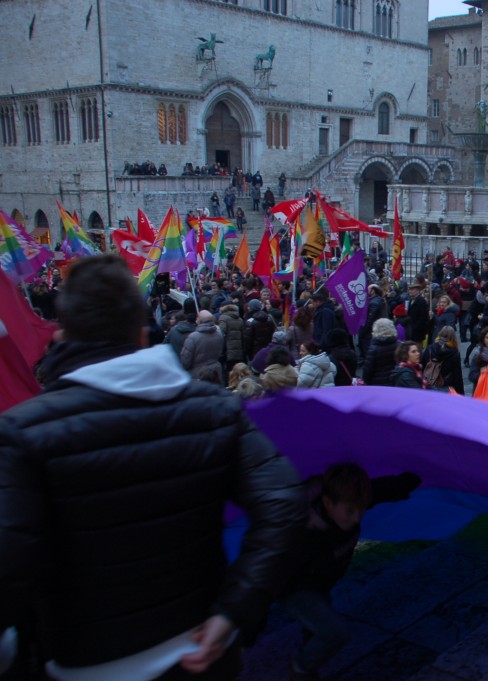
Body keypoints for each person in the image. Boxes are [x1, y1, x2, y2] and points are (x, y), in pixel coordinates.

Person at [0, 254, 305, 680]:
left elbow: (10, 569)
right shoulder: (216, 408)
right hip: (204, 653)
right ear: (143, 334)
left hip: (88, 665)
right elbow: (285, 501)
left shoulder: (21, 432)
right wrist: (235, 609)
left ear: (61, 334)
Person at [280, 463, 420, 681]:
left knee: (315, 632)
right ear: (327, 503)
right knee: (334, 632)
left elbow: (381, 489)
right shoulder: (303, 532)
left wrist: (407, 481)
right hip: (296, 589)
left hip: (321, 583)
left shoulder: (350, 500)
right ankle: (300, 669)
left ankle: (308, 669)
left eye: (361, 509)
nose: (357, 518)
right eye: (350, 511)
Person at [180, 309, 225, 381]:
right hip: (216, 372)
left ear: (200, 320)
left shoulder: (193, 337)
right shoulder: (219, 333)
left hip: (198, 374)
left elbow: (185, 361)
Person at [423, 326, 465, 394]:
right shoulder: (454, 353)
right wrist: (461, 393)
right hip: (446, 387)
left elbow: (422, 366)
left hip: (429, 385)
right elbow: (457, 375)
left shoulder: (430, 348)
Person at [362, 318, 400, 386]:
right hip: (395, 381)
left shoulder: (373, 349)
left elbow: (367, 371)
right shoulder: (398, 345)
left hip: (378, 384)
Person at [468, 325, 488, 393]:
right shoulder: (479, 355)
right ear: (483, 339)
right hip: (483, 391)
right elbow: (471, 376)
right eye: (487, 338)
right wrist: (481, 373)